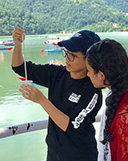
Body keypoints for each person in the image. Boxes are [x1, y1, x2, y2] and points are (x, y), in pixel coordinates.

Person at [11, 27, 102, 161]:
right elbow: (19, 67)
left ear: (89, 59)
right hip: (54, 152)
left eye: (73, 55)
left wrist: (42, 100)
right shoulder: (57, 73)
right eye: (66, 52)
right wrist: (18, 45)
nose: (67, 58)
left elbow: (72, 127)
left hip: (80, 155)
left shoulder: (92, 90)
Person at [86, 39, 128, 161]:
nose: (88, 75)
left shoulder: (123, 115)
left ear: (101, 75)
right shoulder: (117, 95)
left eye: (89, 71)